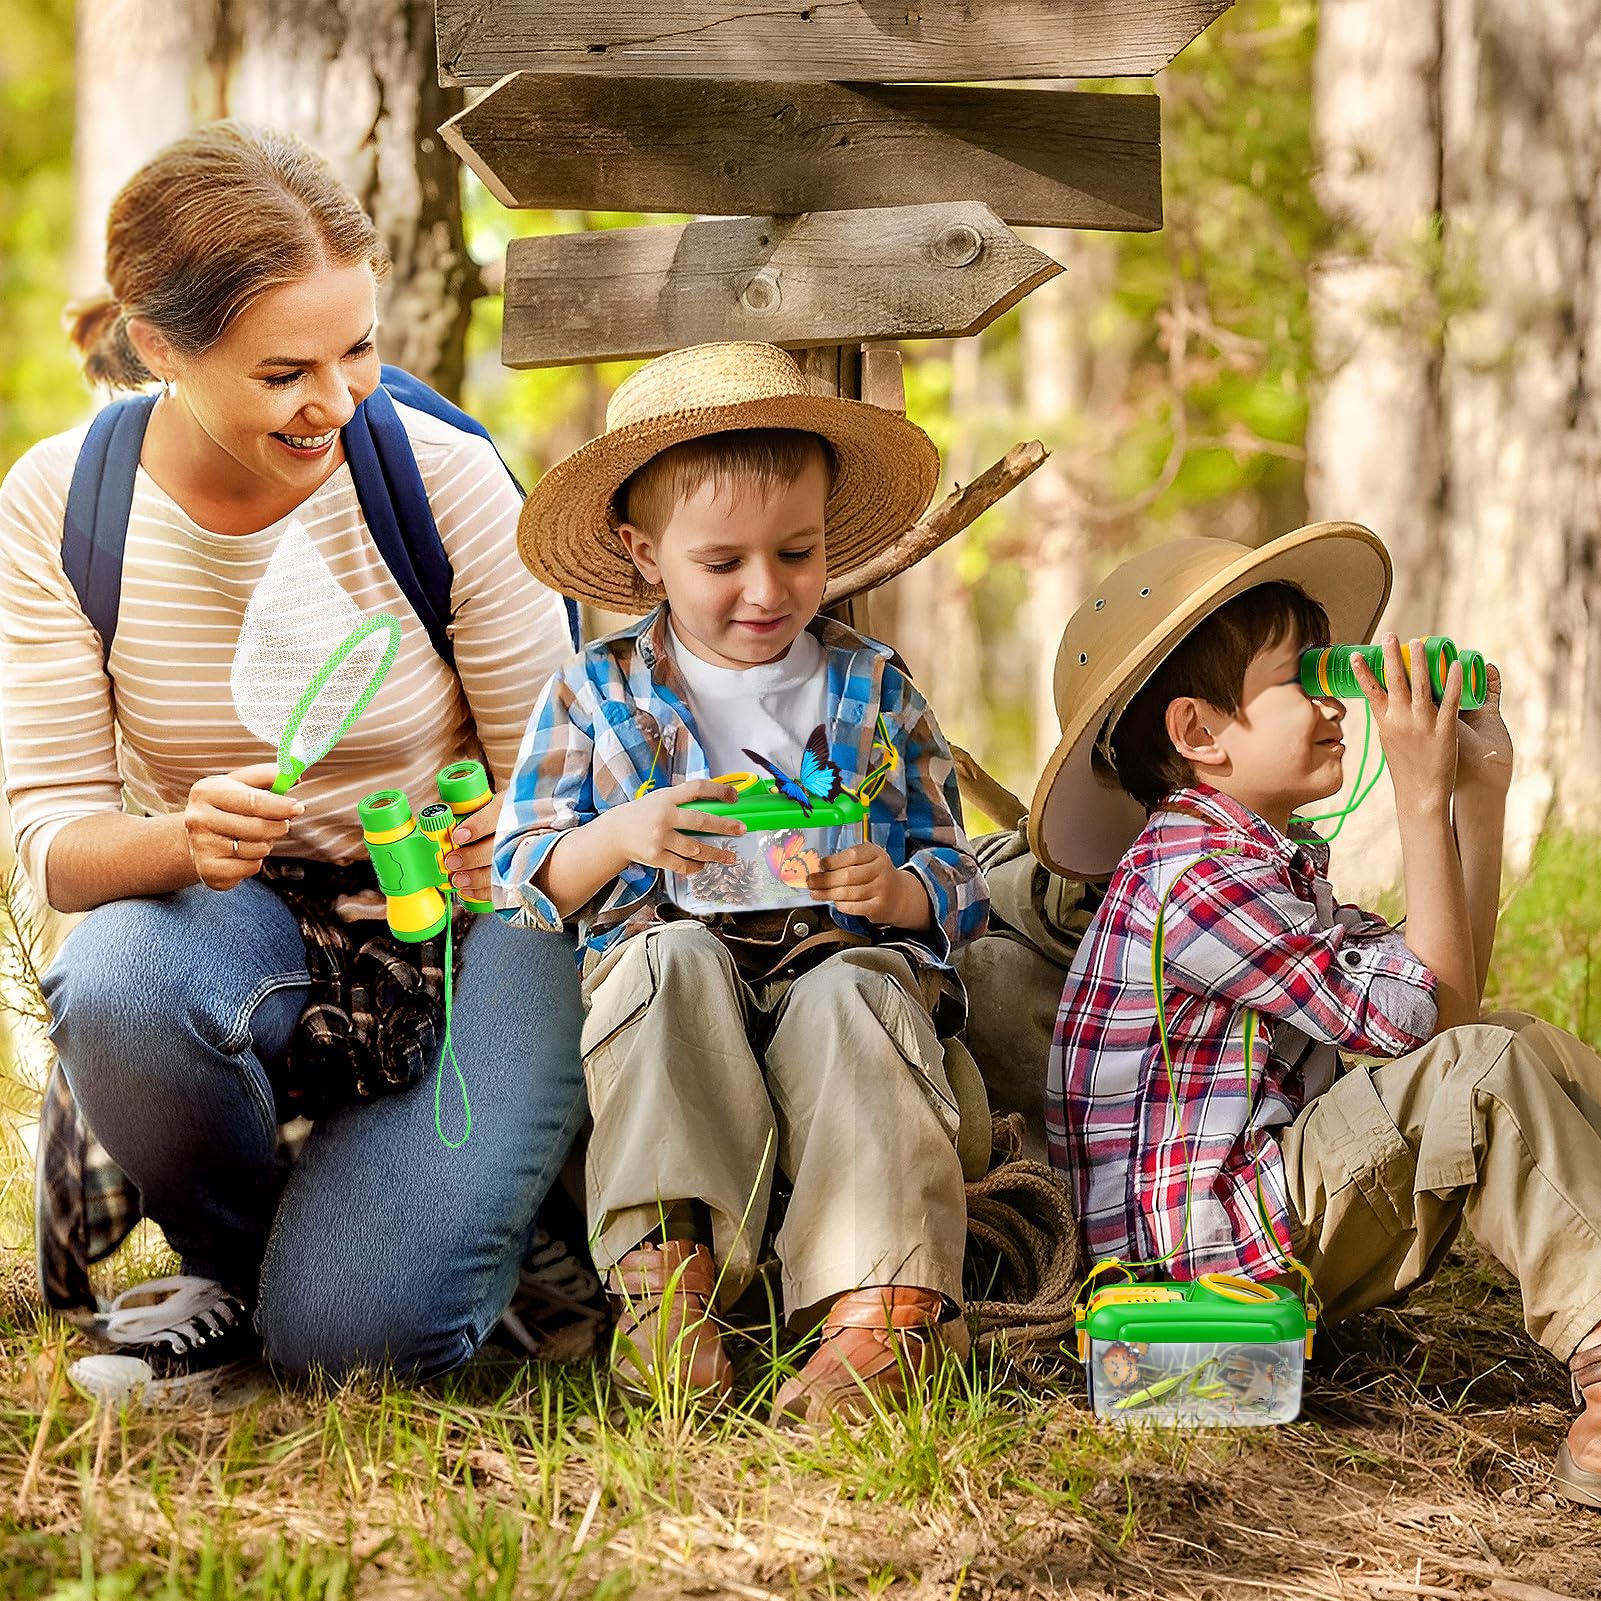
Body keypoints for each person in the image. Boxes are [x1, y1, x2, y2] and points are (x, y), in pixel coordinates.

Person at [0, 122, 587, 1381]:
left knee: (364, 1344)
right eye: (283, 373)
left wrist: (518, 824)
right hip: (246, 923)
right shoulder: (64, 508)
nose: (338, 398)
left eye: (359, 347)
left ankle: (435, 1235)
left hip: (479, 922)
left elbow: (571, 768)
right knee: (116, 977)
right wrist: (176, 839)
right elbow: (50, 836)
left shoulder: (437, 479)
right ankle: (245, 1260)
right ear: (159, 348)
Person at [1028, 519, 1601, 1506]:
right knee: (1484, 1066)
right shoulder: (1190, 879)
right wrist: (1420, 803)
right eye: (1303, 678)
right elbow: (1428, 1035)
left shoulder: (1258, 860)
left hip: (1256, 1216)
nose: (1335, 700)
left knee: (1516, 1040)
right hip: (1195, 1280)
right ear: (1198, 732)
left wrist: (1478, 793)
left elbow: (1450, 1005)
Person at [493, 341, 989, 1422]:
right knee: (659, 964)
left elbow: (953, 864)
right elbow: (521, 873)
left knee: (855, 996)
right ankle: (672, 1291)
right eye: (722, 563)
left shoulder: (868, 683)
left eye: (796, 553)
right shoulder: (595, 689)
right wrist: (620, 832)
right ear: (643, 553)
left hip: (831, 958)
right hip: (677, 973)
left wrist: (895, 891)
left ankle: (882, 1312)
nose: (766, 590)